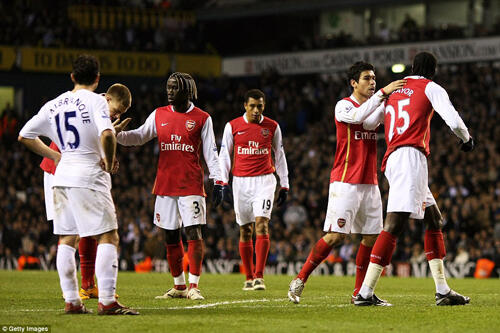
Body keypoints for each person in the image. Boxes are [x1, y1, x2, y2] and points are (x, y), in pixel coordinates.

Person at [18, 54, 138, 314]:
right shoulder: (97, 101)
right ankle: (107, 301)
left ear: (72, 76)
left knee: (66, 239)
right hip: (89, 177)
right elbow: (106, 134)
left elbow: (24, 136)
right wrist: (109, 160)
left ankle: (72, 301)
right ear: (97, 79)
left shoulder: (53, 104)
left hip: (61, 178)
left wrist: (56, 157)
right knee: (108, 235)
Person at [354, 51, 473, 306]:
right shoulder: (430, 87)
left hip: (394, 157)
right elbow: (452, 119)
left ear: (411, 66)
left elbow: (367, 124)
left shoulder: (395, 89)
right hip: (410, 157)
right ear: (433, 71)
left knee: (434, 219)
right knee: (394, 224)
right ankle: (365, 292)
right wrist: (466, 139)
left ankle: (442, 289)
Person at [287, 61, 406, 304]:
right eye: (367, 78)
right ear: (353, 82)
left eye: (374, 78)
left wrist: (400, 97)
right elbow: (358, 117)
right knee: (335, 236)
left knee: (371, 238)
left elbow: (380, 118)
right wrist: (384, 93)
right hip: (345, 181)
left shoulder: (374, 107)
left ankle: (360, 293)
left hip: (370, 182)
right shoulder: (343, 106)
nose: (373, 82)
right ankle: (299, 280)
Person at [115, 72, 227, 300]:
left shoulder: (202, 118)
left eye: (174, 88)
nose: (169, 91)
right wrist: (115, 134)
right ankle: (179, 286)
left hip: (191, 185)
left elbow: (210, 153)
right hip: (165, 185)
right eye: (168, 87)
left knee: (193, 232)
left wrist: (218, 180)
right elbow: (139, 137)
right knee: (169, 235)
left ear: (187, 90)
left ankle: (194, 285)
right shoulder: (158, 114)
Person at [39, 83, 132, 300]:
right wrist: (108, 156)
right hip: (63, 167)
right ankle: (81, 289)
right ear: (108, 99)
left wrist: (107, 153)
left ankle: (86, 286)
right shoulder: (95, 104)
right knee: (74, 233)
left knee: (86, 229)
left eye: (120, 114)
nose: (116, 115)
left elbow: (91, 141)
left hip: (68, 168)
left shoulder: (88, 102)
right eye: (116, 111)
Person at [218, 89, 289, 291]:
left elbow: (280, 155)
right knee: (245, 229)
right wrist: (222, 183)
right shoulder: (232, 126)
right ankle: (248, 277)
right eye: (252, 106)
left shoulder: (272, 127)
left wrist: (285, 184)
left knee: (262, 225)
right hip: (240, 182)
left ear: (264, 106)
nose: (256, 110)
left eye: (260, 106)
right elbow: (225, 155)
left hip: (265, 181)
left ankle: (259, 276)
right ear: (245, 106)